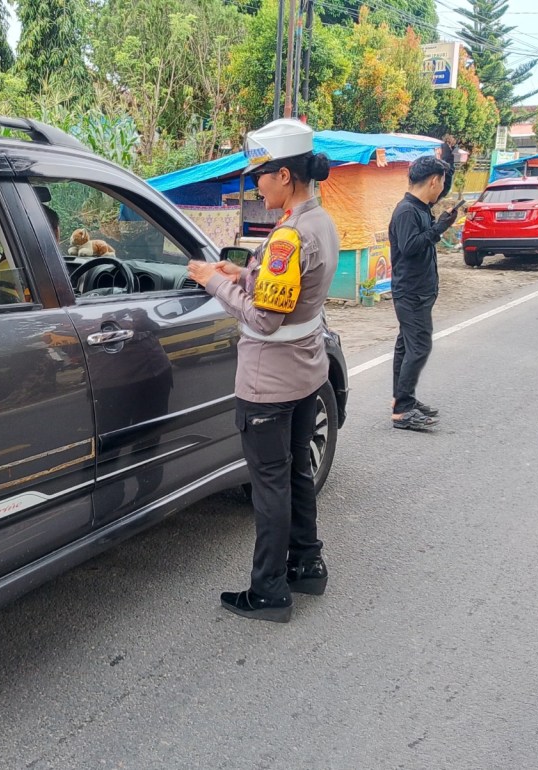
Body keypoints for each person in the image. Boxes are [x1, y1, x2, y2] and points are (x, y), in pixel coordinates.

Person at [187, 118, 339, 623]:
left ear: (286, 178)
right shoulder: (319, 222)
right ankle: (307, 564)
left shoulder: (289, 237)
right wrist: (244, 271)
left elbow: (262, 318)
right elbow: (288, 289)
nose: (257, 183)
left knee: (269, 485)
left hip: (268, 385)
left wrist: (214, 280)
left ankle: (270, 590)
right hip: (306, 376)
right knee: (296, 472)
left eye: (262, 174)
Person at [388, 156, 462, 431]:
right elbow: (410, 247)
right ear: (434, 181)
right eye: (442, 182)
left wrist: (439, 225)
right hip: (411, 292)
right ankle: (403, 409)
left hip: (418, 290)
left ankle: (401, 400)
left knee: (406, 346)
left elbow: (421, 242)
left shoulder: (420, 208)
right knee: (419, 346)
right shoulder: (407, 211)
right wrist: (440, 227)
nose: (441, 188)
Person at [436, 134, 457, 202]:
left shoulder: (450, 148)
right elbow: (445, 159)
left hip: (448, 170)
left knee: (445, 189)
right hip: (446, 171)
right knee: (445, 188)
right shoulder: (445, 147)